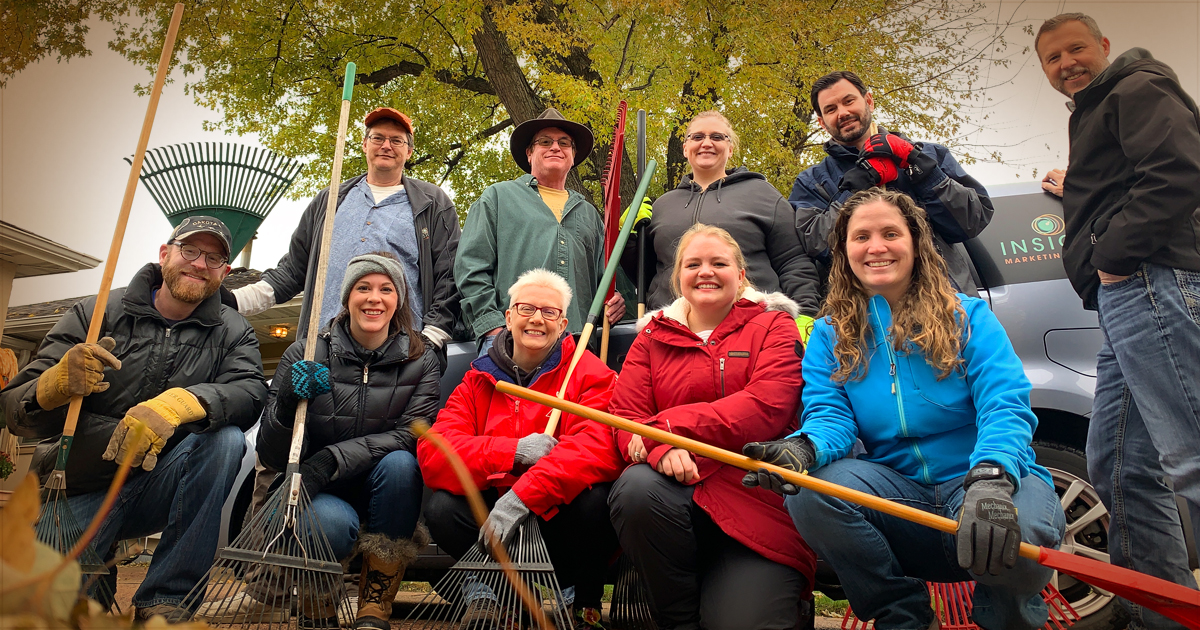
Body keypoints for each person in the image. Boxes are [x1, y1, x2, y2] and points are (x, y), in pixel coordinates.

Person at [743, 189, 1065, 630]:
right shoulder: (828, 335)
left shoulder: (967, 317)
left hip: (984, 485)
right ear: (844, 251)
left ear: (915, 243)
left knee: (1019, 538)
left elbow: (1005, 403)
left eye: (890, 233)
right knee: (812, 489)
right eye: (861, 237)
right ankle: (902, 615)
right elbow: (831, 418)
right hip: (901, 500)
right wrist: (803, 449)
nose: (876, 247)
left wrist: (992, 476)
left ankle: (1006, 614)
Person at [0, 216, 267, 622]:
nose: (199, 263)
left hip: (157, 484)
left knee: (226, 441)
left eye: (214, 258)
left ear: (224, 273)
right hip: (77, 485)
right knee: (49, 610)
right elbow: (13, 411)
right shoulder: (97, 312)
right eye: (189, 250)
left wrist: (184, 401)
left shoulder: (232, 330)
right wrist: (51, 387)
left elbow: (250, 392)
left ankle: (167, 599)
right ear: (164, 254)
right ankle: (96, 567)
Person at [1035, 13, 1200, 627]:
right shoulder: (1097, 108)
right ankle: (1165, 616)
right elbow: (1124, 182)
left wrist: (1111, 256)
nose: (1066, 64)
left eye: (1075, 49)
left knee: (1191, 454)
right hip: (1124, 301)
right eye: (1052, 58)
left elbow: (1179, 172)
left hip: (1150, 282)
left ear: (1103, 45)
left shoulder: (1138, 86)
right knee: (1120, 467)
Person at [607, 224, 816, 630]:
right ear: (678, 278)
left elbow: (766, 407)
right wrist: (659, 447)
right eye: (693, 264)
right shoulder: (650, 337)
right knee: (635, 489)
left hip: (754, 503)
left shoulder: (774, 326)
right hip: (674, 501)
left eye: (719, 263)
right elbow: (624, 418)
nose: (706, 272)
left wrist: (663, 429)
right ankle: (677, 620)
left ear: (741, 276)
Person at [241, 252, 439, 629]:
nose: (374, 298)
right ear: (347, 297)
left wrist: (330, 460)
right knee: (329, 523)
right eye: (363, 287)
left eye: (386, 289)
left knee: (401, 465)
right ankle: (319, 604)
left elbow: (413, 435)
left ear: (399, 300)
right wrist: (285, 404)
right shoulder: (307, 353)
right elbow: (269, 451)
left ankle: (374, 604)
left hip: (381, 491)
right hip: (320, 494)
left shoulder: (421, 359)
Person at [418, 268, 622, 629]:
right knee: (443, 508)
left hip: (560, 518)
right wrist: (512, 451)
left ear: (563, 324)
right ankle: (510, 598)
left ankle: (579, 599)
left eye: (550, 312)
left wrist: (524, 496)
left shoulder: (588, 373)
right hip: (498, 527)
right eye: (526, 308)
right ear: (508, 317)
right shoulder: (477, 380)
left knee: (598, 501)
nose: (536, 319)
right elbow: (436, 453)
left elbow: (596, 449)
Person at [232, 106, 462, 357]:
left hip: (401, 354)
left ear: (408, 151)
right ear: (365, 144)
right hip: (324, 350)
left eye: (397, 140)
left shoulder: (432, 204)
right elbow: (292, 271)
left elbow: (450, 276)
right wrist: (232, 301)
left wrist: (431, 338)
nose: (386, 145)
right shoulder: (329, 202)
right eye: (377, 137)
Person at [789, 70, 993, 294]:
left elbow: (972, 221)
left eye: (849, 101)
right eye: (831, 109)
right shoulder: (811, 182)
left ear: (868, 101)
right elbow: (817, 246)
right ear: (821, 122)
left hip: (945, 301)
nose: (843, 112)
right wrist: (854, 192)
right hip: (863, 313)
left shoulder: (929, 155)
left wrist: (924, 171)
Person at [455, 108, 625, 354]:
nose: (555, 147)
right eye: (545, 142)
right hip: (512, 341)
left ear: (573, 155)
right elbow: (470, 268)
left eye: (564, 143)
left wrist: (615, 299)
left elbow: (602, 280)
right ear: (529, 153)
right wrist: (493, 327)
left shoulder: (589, 214)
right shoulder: (498, 198)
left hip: (576, 345)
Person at [640, 110, 820, 329]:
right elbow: (646, 272)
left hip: (753, 327)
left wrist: (805, 316)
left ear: (730, 148)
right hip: (673, 329)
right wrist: (630, 236)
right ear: (685, 149)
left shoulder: (763, 195)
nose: (706, 143)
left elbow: (793, 261)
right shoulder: (661, 206)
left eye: (717, 137)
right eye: (697, 137)